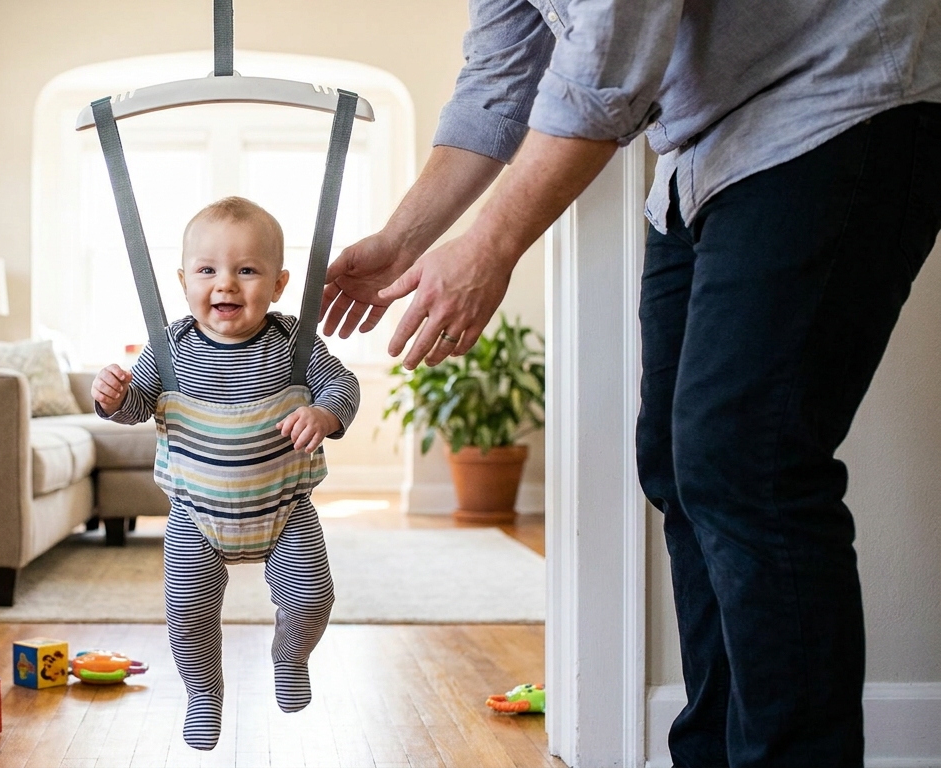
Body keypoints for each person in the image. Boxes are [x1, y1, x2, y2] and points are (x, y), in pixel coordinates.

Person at [318, 1, 941, 766]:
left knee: (748, 463)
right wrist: (402, 240)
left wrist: (490, 246)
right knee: (681, 467)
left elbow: (608, 68)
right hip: (703, 151)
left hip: (836, 102)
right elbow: (500, 75)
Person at [93, 196, 360, 751]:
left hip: (284, 510)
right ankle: (203, 690)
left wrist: (324, 412)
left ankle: (291, 655)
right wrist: (116, 399)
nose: (226, 285)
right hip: (196, 516)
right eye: (207, 270)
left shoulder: (295, 343)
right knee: (186, 612)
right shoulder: (170, 347)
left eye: (247, 270)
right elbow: (141, 404)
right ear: (183, 279)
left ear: (280, 283)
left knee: (313, 596)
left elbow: (344, 387)